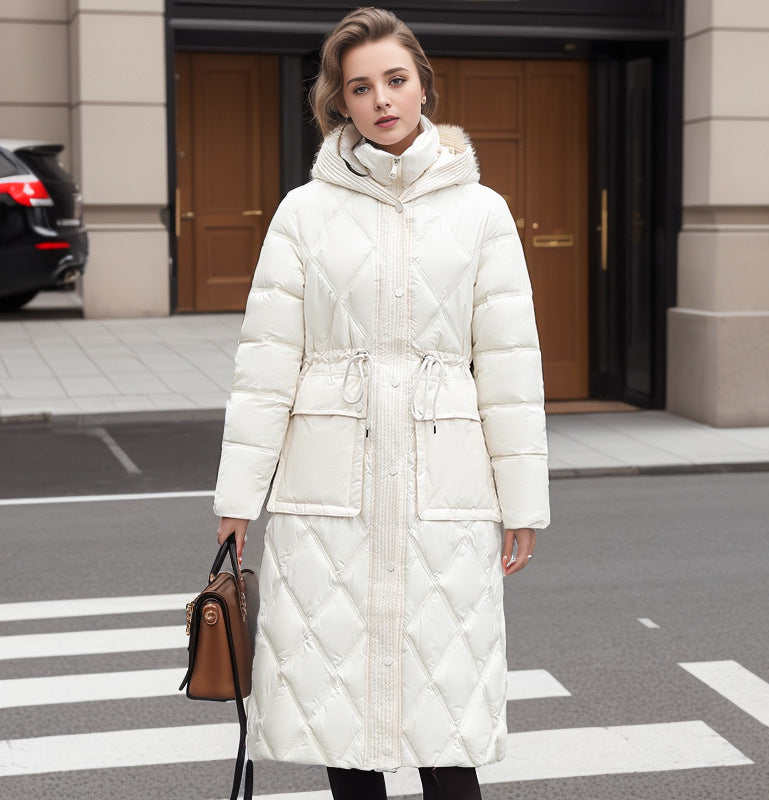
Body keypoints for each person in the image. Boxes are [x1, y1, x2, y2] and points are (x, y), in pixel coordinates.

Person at [212, 6, 550, 799]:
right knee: (343, 719)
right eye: (361, 87)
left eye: (395, 80)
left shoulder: (482, 212)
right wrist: (238, 498)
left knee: (448, 717)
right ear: (342, 102)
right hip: (328, 492)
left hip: (446, 485)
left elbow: (507, 364)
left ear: (423, 84)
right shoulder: (304, 212)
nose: (382, 100)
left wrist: (522, 499)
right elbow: (266, 365)